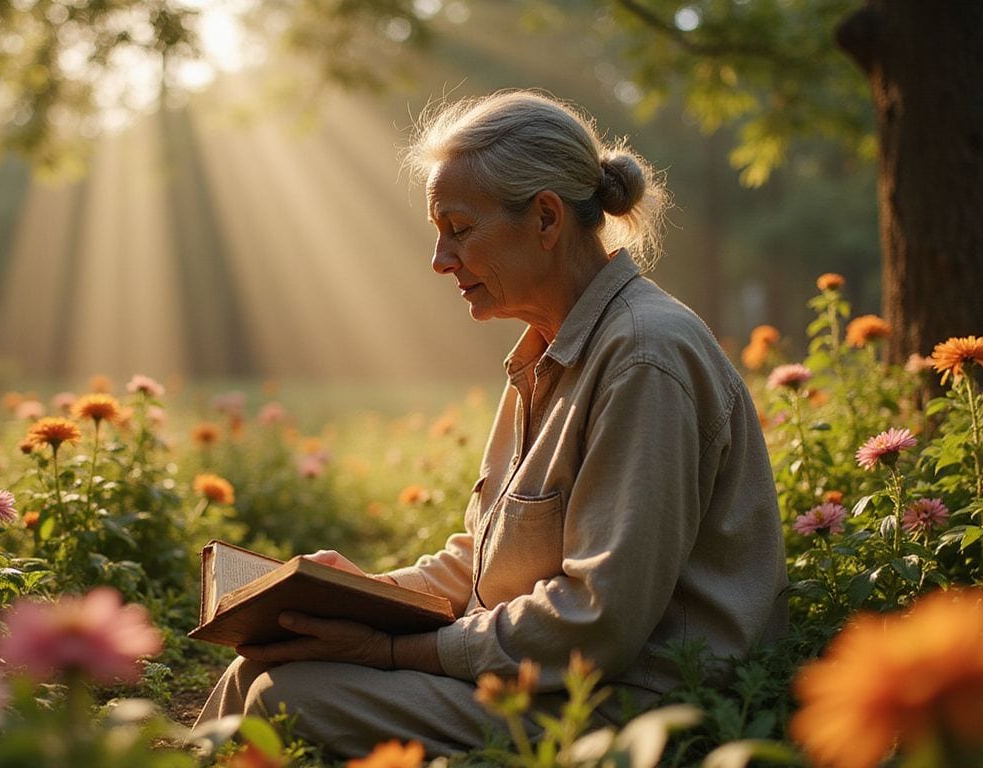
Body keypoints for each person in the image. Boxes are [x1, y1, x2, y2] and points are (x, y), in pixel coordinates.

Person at [194, 90, 787, 758]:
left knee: (288, 697)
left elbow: (598, 621)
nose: (440, 259)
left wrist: (393, 649)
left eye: (459, 228)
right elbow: (483, 564)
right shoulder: (549, 348)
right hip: (538, 680)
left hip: (627, 706)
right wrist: (358, 595)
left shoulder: (644, 356)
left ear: (544, 218)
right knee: (258, 668)